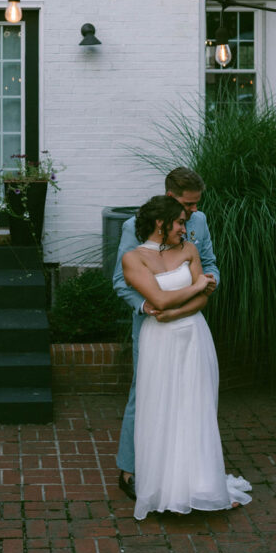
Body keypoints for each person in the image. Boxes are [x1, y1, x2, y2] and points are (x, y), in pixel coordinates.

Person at [122, 195, 251, 519]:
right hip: (159, 341)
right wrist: (197, 286)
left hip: (194, 334)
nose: (185, 228)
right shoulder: (133, 259)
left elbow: (197, 303)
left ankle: (202, 486)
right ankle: (165, 488)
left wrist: (181, 304)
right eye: (180, 222)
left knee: (196, 406)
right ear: (160, 224)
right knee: (161, 408)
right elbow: (159, 300)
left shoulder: (190, 250)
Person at [113, 167, 219, 500]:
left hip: (189, 322)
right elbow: (121, 281)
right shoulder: (134, 228)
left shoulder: (198, 223)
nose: (194, 212)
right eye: (188, 206)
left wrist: (209, 281)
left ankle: (184, 467)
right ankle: (130, 469)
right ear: (170, 200)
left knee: (191, 393)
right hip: (151, 324)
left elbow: (209, 262)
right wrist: (148, 309)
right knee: (143, 392)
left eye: (196, 204)